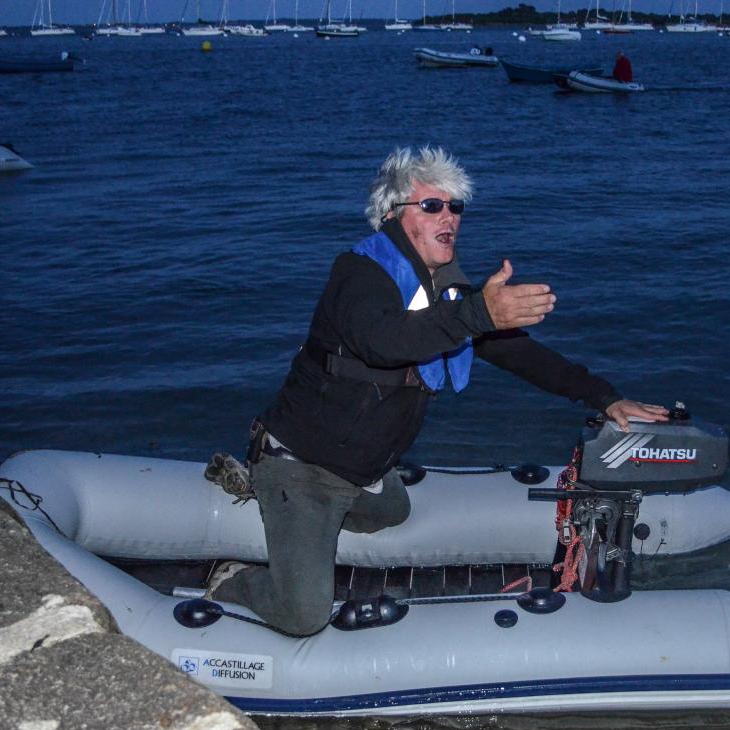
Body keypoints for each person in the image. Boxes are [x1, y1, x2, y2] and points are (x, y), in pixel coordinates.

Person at [209, 146, 668, 636]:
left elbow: (518, 353)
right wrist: (478, 314)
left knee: (394, 510)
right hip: (302, 463)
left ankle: (289, 506)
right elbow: (384, 340)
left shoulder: (443, 293)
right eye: (432, 206)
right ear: (392, 214)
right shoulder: (358, 275)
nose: (449, 217)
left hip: (360, 469)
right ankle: (232, 576)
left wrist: (603, 396)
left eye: (455, 207)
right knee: (304, 615)